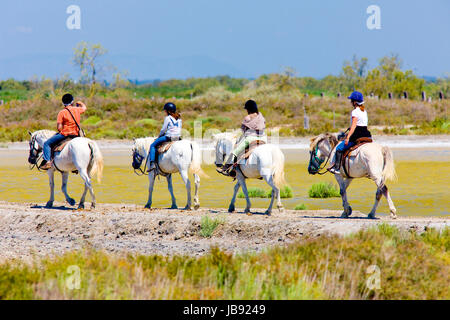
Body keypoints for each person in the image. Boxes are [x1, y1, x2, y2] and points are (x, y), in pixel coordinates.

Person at [216, 100, 267, 176]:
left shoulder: (247, 117)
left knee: (235, 152)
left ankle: (225, 168)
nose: (246, 110)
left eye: (246, 109)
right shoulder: (261, 116)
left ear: (248, 109)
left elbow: (242, 130)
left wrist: (237, 141)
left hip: (251, 138)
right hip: (263, 138)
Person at [328, 91, 372, 174]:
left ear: (355, 102)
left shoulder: (355, 112)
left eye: (351, 100)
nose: (350, 102)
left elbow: (354, 126)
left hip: (357, 134)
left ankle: (337, 168)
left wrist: (348, 137)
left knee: (339, 148)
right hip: (366, 134)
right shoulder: (364, 111)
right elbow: (361, 124)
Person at [40, 94, 87, 170]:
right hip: (76, 134)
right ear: (72, 102)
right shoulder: (77, 109)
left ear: (63, 103)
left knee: (47, 143)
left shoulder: (61, 112)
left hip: (65, 134)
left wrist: (61, 130)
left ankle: (48, 162)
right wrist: (80, 103)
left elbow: (59, 128)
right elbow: (84, 108)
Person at [147, 102, 182, 172]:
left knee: (152, 145)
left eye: (165, 111)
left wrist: (160, 136)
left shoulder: (168, 118)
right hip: (178, 138)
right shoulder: (179, 119)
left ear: (168, 111)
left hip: (169, 137)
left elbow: (163, 129)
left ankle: (152, 163)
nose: (165, 112)